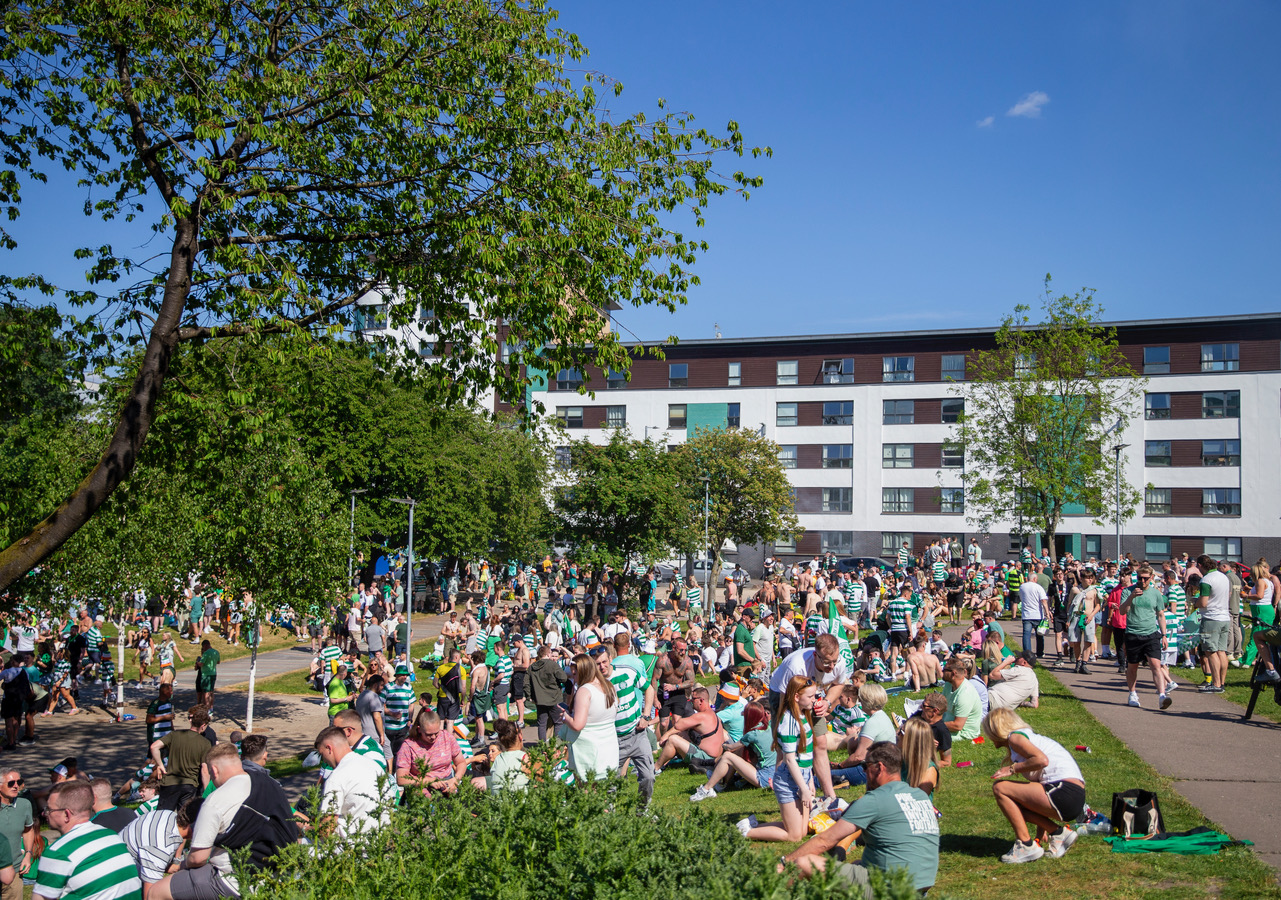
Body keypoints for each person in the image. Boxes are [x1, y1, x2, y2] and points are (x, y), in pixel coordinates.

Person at [784, 741, 939, 897]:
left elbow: (824, 840)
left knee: (803, 863)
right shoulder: (919, 796)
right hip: (918, 890)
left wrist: (784, 862)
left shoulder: (876, 799)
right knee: (858, 865)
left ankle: (770, 892)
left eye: (866, 766)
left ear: (879, 767)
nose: (864, 771)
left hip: (888, 890)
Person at [157, 741, 297, 900]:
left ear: (214, 770)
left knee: (156, 892)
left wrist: (180, 865)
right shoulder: (269, 783)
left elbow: (198, 858)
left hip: (233, 880)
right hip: (276, 875)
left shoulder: (214, 801)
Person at [983, 707, 1086, 863]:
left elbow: (1041, 760)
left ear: (996, 729)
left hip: (1064, 792)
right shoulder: (1025, 739)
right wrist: (1039, 835)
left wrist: (1012, 769)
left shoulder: (1015, 738)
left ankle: (1025, 845)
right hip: (1070, 796)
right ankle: (1057, 834)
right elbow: (1040, 786)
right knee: (1014, 804)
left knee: (1000, 788)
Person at [737, 675, 817, 842]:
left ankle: (753, 825)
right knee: (794, 836)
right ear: (796, 697)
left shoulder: (802, 716)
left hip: (802, 775)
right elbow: (789, 759)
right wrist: (803, 788)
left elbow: (805, 754)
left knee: (801, 832)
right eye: (810, 696)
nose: (814, 700)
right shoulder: (789, 721)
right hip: (789, 779)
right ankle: (746, 832)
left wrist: (809, 780)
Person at [33, 782, 141, 900]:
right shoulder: (112, 836)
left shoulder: (57, 852)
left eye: (49, 809)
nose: (44, 813)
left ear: (66, 814)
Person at [312, 726, 395, 840]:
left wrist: (306, 828)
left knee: (298, 844)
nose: (324, 761)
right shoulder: (373, 765)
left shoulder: (336, 777)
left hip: (351, 846)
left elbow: (326, 830)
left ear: (329, 748)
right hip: (381, 838)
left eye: (322, 755)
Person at [599, 649, 656, 805]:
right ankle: (610, 815)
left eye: (604, 662)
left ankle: (642, 811)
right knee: (610, 782)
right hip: (613, 740)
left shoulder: (627, 672)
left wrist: (645, 716)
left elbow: (649, 688)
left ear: (610, 658)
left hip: (637, 733)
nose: (602, 666)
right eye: (597, 664)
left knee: (649, 777)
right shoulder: (594, 682)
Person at [690, 701, 776, 802]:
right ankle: (722, 781)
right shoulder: (769, 727)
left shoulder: (752, 734)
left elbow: (731, 748)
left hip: (764, 778)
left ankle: (707, 789)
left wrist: (721, 743)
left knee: (727, 756)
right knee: (740, 750)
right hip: (775, 774)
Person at [1119, 566, 1172, 709]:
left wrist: (1164, 635)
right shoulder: (1127, 591)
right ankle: (1132, 693)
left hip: (1151, 634)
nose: (1142, 581)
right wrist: (1131, 597)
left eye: (1146, 578)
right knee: (1132, 666)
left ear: (1151, 578)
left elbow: (1161, 615)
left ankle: (1162, 696)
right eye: (1140, 578)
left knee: (1156, 665)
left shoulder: (1156, 594)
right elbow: (1122, 611)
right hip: (1133, 633)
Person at [121, 799, 198, 896]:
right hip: (122, 880)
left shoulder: (169, 815)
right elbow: (151, 895)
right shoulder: (159, 848)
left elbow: (165, 865)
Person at [561, 653, 619, 781]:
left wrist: (565, 717)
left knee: (586, 794)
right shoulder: (609, 686)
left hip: (589, 754)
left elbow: (577, 725)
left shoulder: (585, 691)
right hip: (608, 750)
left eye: (575, 674)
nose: (574, 678)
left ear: (584, 671)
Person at [150, 706, 214, 812]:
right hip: (189, 785)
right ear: (203, 725)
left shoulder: (175, 734)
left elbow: (154, 747)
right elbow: (204, 770)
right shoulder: (205, 743)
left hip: (170, 783)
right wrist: (206, 792)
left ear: (191, 722)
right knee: (184, 818)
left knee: (162, 816)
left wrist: (160, 765)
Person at [395, 708, 467, 796]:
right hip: (421, 788)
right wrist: (427, 781)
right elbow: (401, 779)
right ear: (419, 729)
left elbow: (461, 763)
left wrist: (455, 780)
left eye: (436, 733)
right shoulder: (408, 746)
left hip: (447, 783)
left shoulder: (446, 737)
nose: (433, 737)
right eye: (428, 734)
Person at [654, 685, 724, 773]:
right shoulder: (712, 714)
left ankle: (655, 768)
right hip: (715, 757)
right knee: (682, 734)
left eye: (693, 699)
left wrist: (665, 735)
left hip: (705, 758)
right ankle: (666, 761)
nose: (691, 701)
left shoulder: (701, 716)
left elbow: (678, 725)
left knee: (673, 739)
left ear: (701, 700)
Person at [0, 769, 35, 900]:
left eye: (19, 782)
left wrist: (28, 854)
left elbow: (28, 830)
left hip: (14, 870)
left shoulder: (24, 805)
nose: (16, 786)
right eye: (11, 783)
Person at [524, 645, 571, 741]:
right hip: (554, 698)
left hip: (540, 700)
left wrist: (529, 696)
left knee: (542, 724)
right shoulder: (553, 665)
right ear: (548, 654)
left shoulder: (532, 667)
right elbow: (563, 678)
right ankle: (558, 746)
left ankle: (542, 746)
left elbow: (526, 683)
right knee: (558, 722)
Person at [941, 659, 982, 740]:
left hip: (964, 733)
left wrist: (933, 725)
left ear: (953, 673)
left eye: (944, 670)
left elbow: (958, 725)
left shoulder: (965, 694)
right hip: (947, 725)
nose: (942, 672)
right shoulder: (948, 684)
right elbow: (941, 705)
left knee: (925, 735)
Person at [382, 664, 415, 758]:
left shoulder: (409, 687)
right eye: (402, 675)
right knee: (388, 751)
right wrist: (391, 713)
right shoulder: (388, 687)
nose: (405, 677)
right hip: (389, 726)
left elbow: (411, 703)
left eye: (406, 675)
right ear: (396, 675)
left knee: (399, 751)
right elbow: (380, 706)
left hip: (403, 726)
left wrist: (410, 719)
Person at [355, 674, 389, 756]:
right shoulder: (374, 697)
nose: (382, 688)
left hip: (363, 731)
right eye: (381, 685)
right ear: (375, 685)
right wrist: (382, 734)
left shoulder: (362, 695)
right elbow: (377, 717)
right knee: (388, 754)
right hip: (374, 733)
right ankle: (390, 769)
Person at [195, 641, 220, 712]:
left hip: (206, 674)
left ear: (205, 645)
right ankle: (211, 707)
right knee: (211, 691)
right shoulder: (216, 652)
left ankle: (207, 708)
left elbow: (201, 664)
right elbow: (218, 662)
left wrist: (197, 662)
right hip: (213, 673)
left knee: (206, 692)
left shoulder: (206, 653)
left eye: (203, 647)